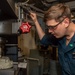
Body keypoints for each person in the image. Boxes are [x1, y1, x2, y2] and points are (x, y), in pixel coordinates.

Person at [30, 3, 75, 75]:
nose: (49, 31)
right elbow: (44, 40)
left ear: (66, 22)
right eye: (48, 27)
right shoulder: (60, 37)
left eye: (52, 27)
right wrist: (35, 21)